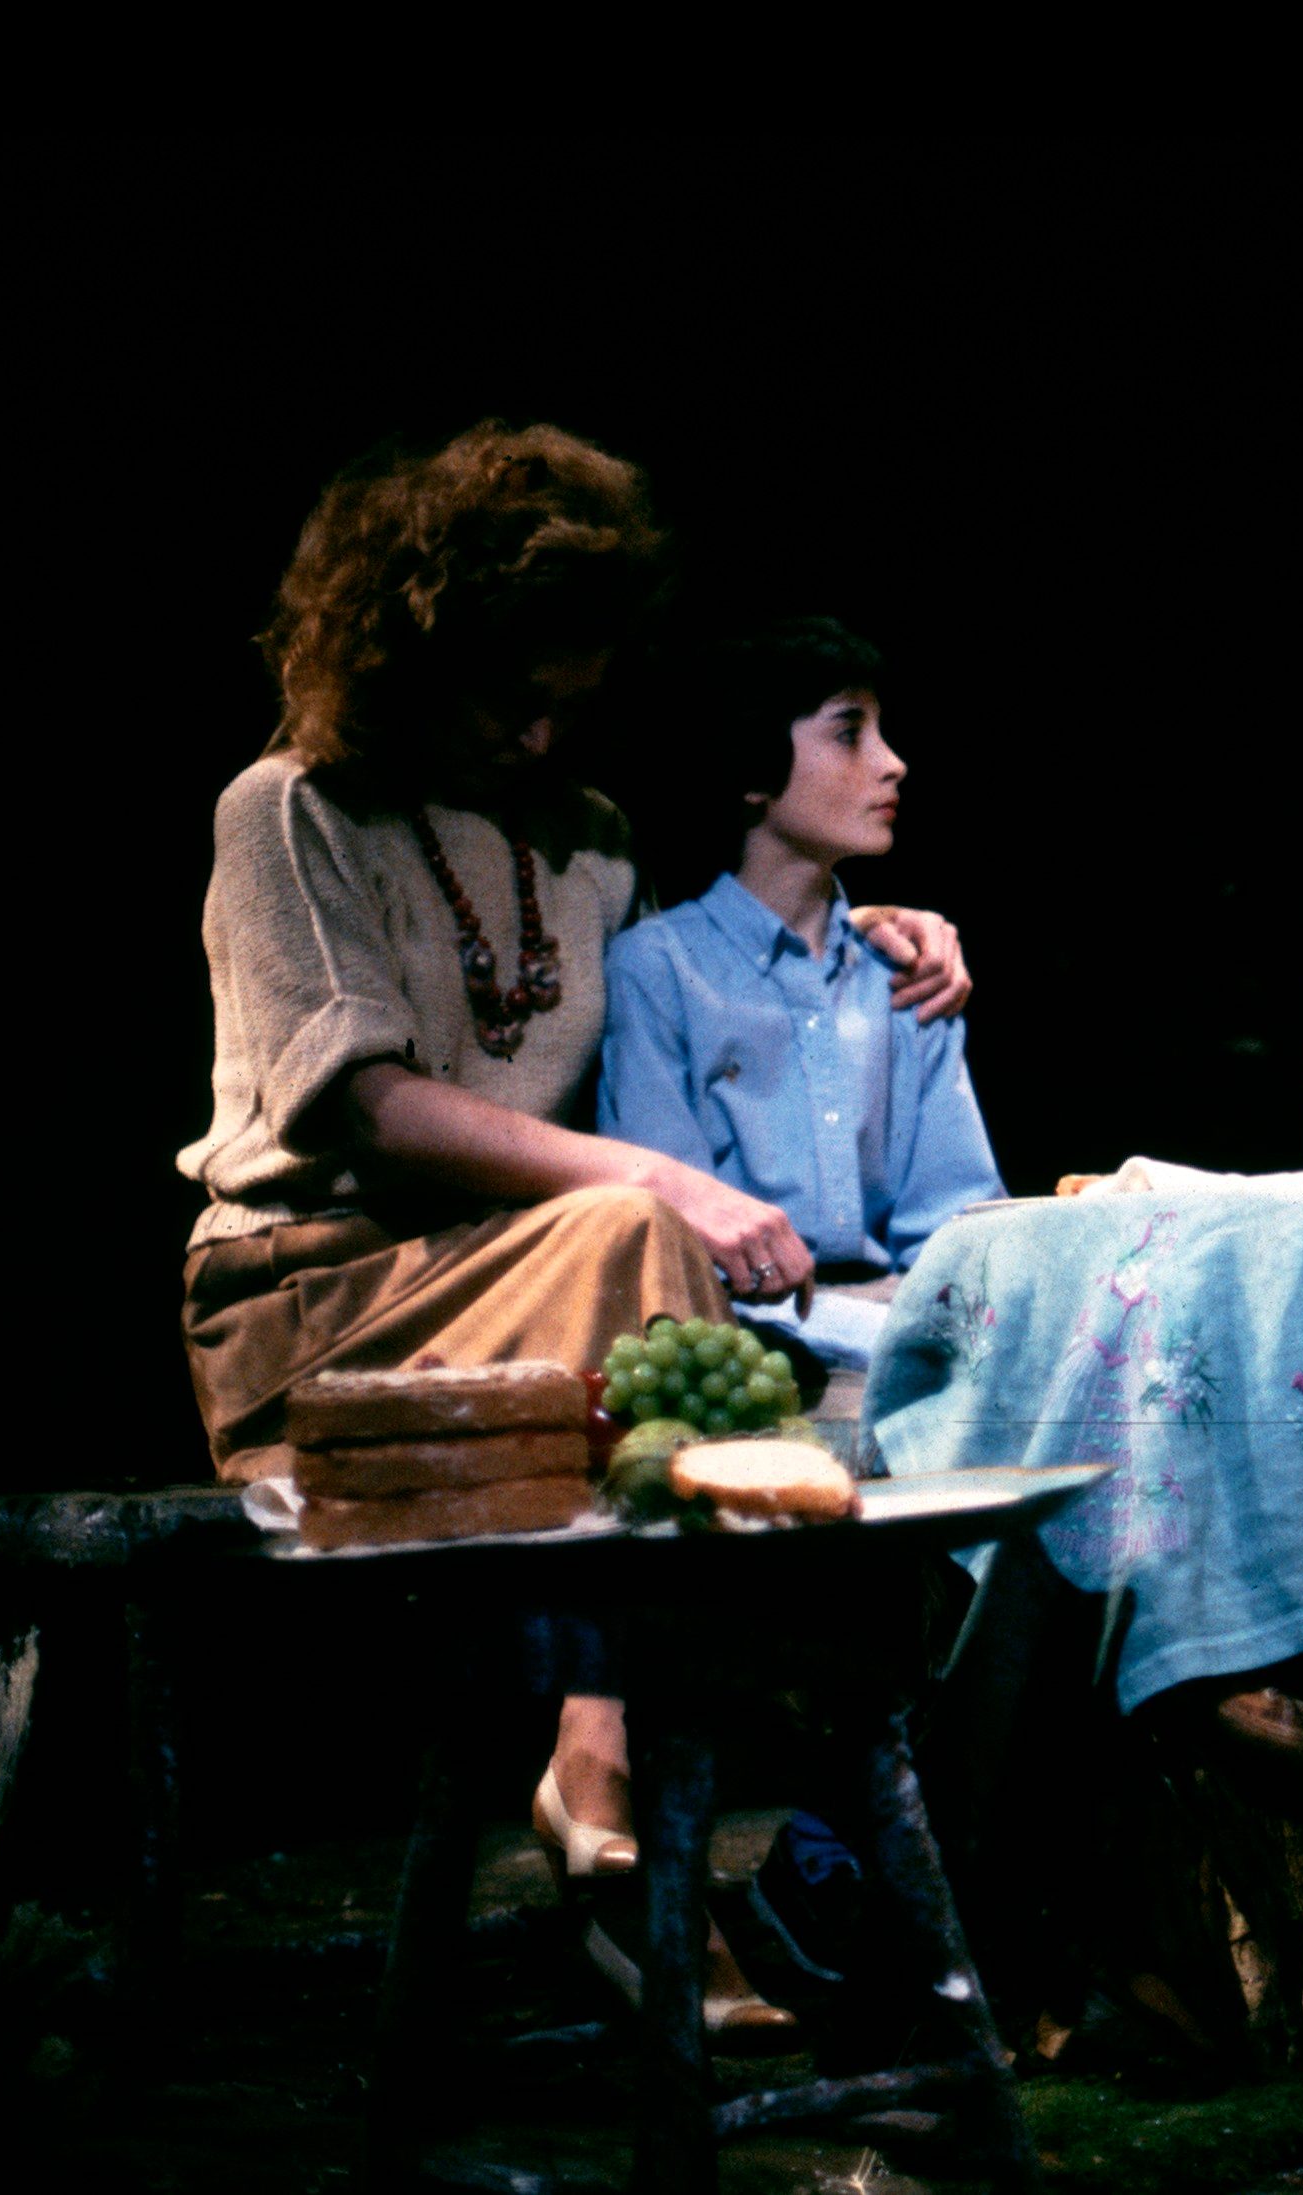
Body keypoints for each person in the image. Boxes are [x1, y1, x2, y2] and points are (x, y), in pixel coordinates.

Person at [176, 422, 973, 2037]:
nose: (539, 728)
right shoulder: (290, 810)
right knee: (633, 1235)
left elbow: (710, 968)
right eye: (506, 693)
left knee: (695, 1302)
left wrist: (873, 927)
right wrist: (659, 1182)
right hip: (318, 1305)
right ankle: (600, 1763)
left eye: (565, 694)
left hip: (536, 1290)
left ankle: (681, 1827)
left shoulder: (588, 839)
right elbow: (361, 1105)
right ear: (411, 651)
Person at [598, 617, 1004, 1415]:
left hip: (901, 1338)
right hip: (741, 1348)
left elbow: (959, 1230)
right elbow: (671, 1241)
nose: (892, 762)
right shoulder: (659, 968)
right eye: (850, 733)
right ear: (753, 768)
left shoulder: (904, 974)